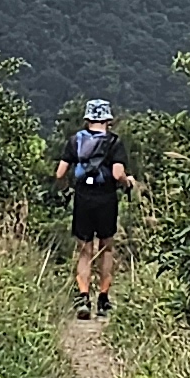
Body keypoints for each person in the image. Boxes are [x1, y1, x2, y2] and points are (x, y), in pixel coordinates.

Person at [54, 98, 131, 319]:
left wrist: (67, 190)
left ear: (87, 119)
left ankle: (83, 297)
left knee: (84, 250)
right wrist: (127, 182)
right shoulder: (114, 142)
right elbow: (117, 174)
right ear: (108, 120)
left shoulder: (75, 141)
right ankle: (103, 299)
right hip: (106, 197)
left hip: (83, 198)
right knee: (106, 248)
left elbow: (60, 174)